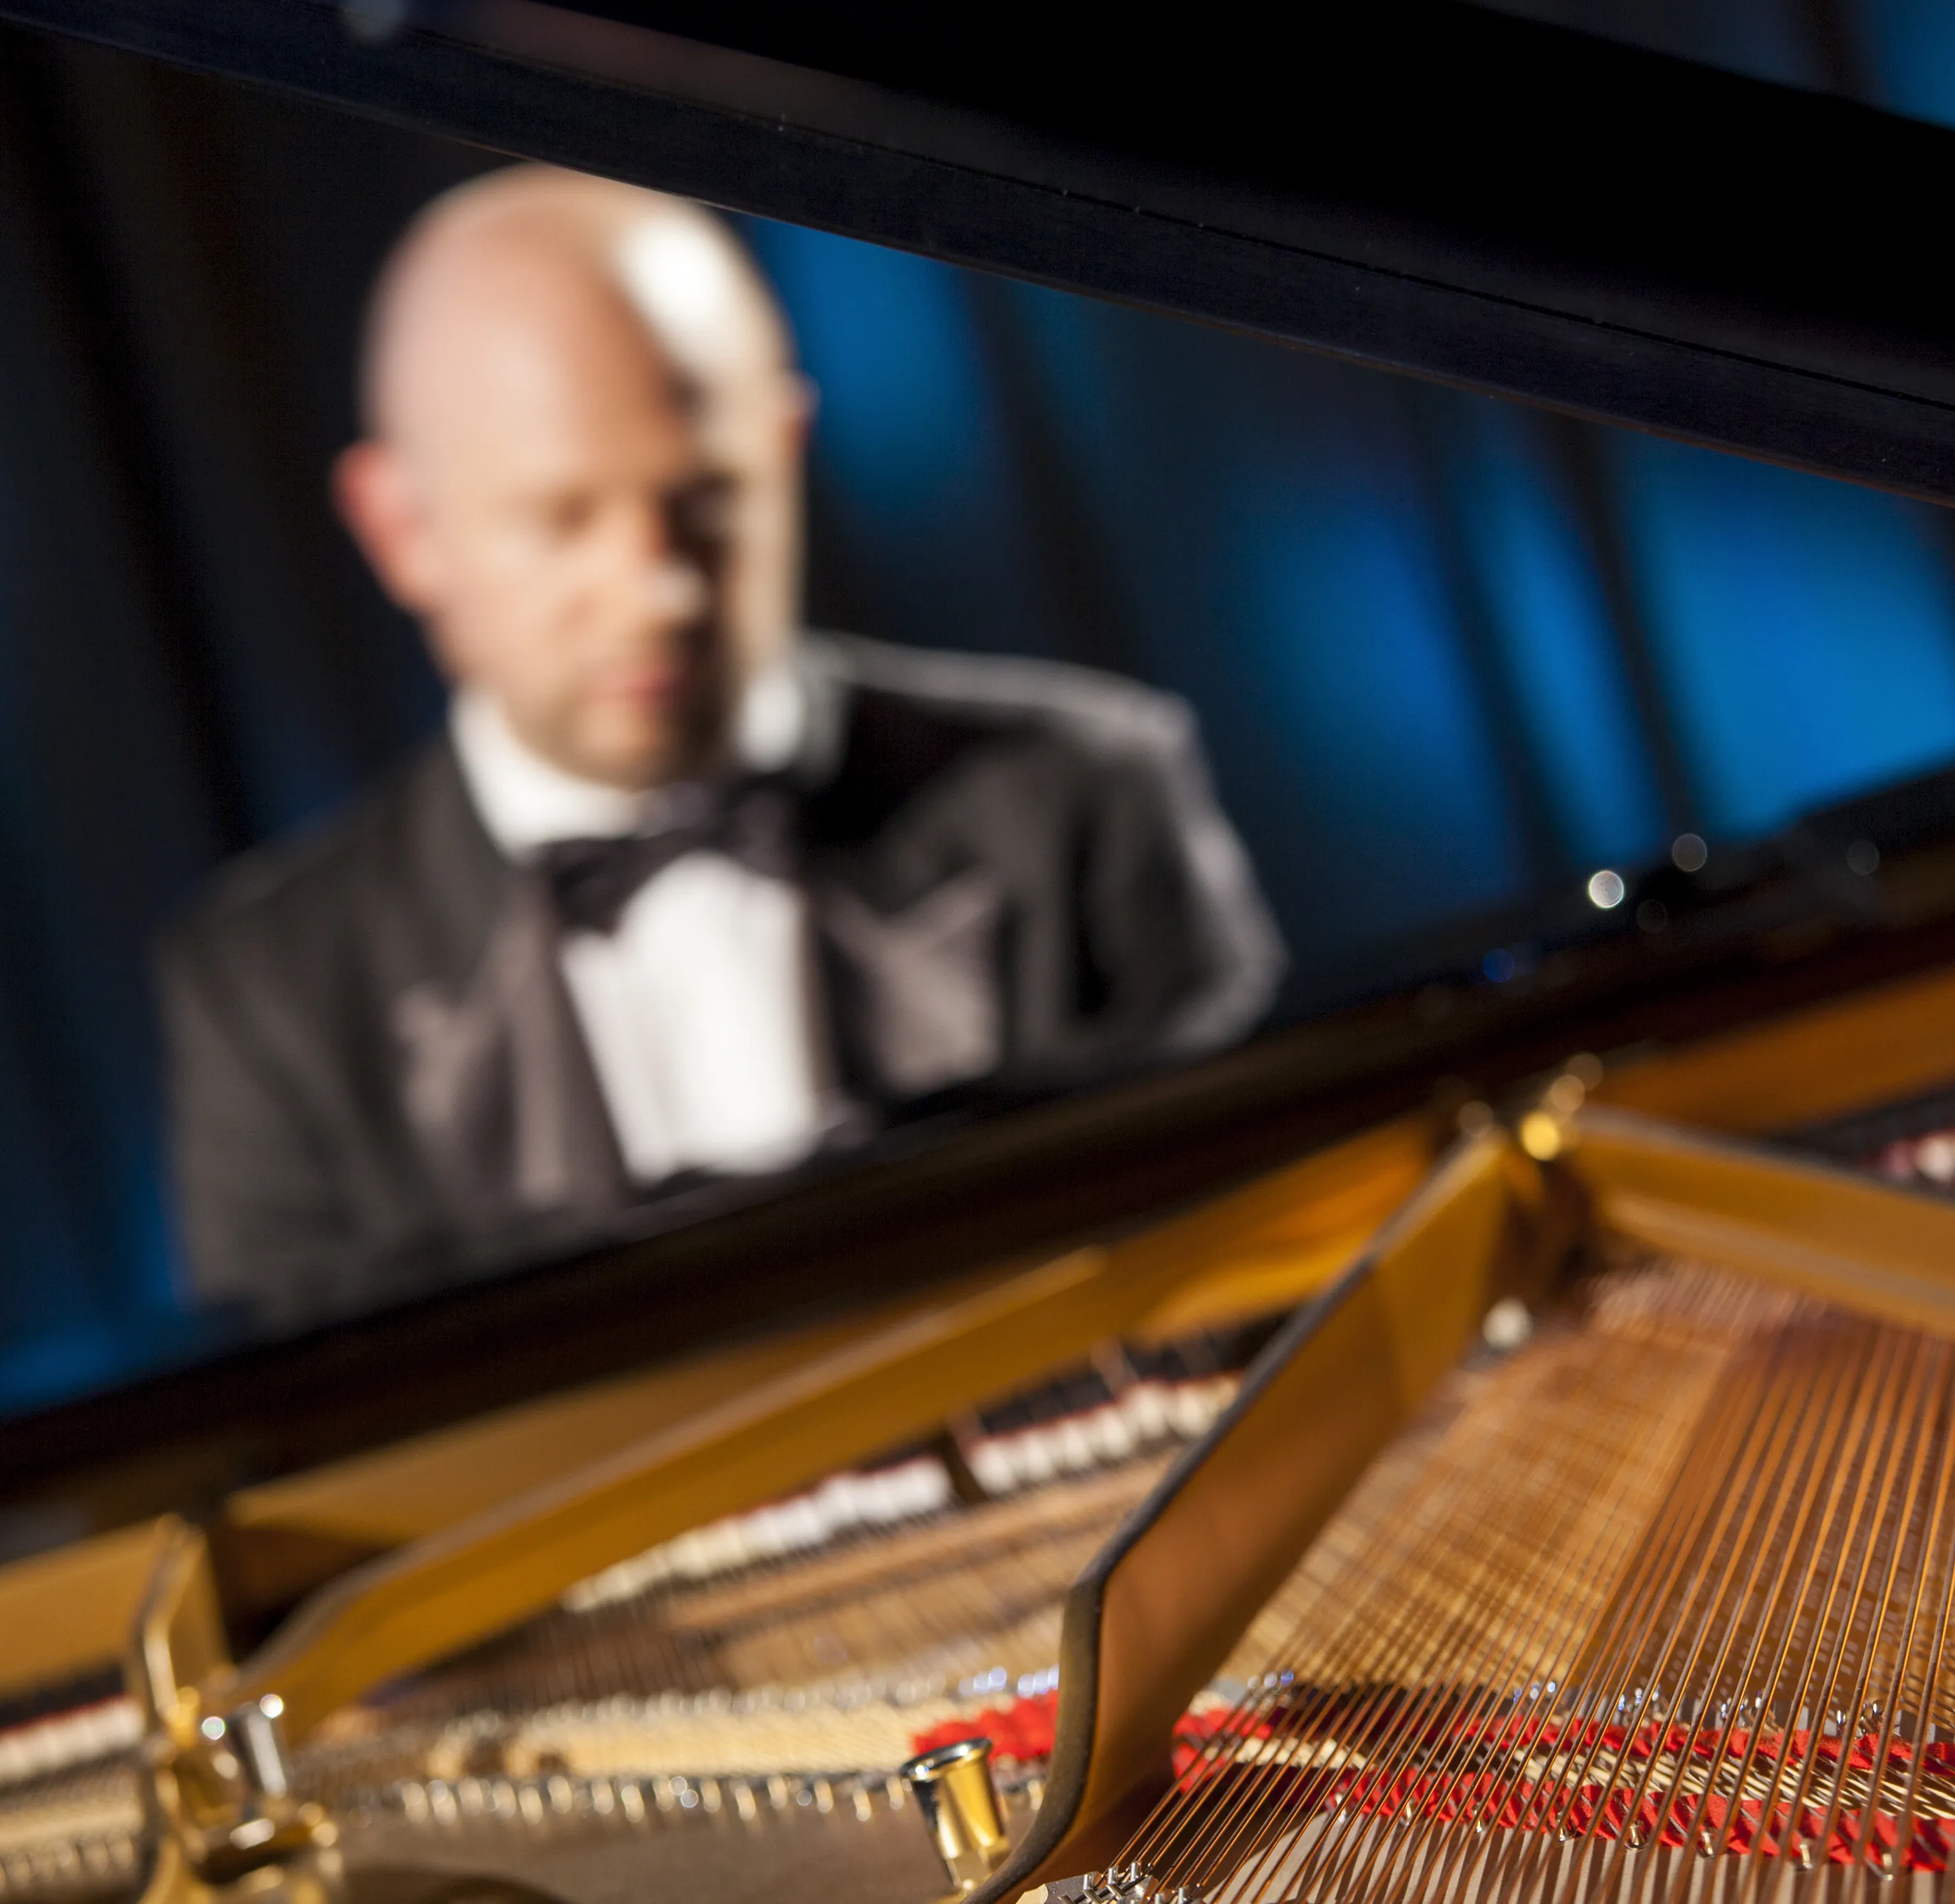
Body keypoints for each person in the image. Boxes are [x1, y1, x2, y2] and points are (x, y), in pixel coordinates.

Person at [159, 168, 1281, 1327]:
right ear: (401, 529)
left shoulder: (1086, 795)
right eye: (561, 519)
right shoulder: (268, 998)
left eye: (706, 500)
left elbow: (1273, 1263)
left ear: (787, 447)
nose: (656, 591)